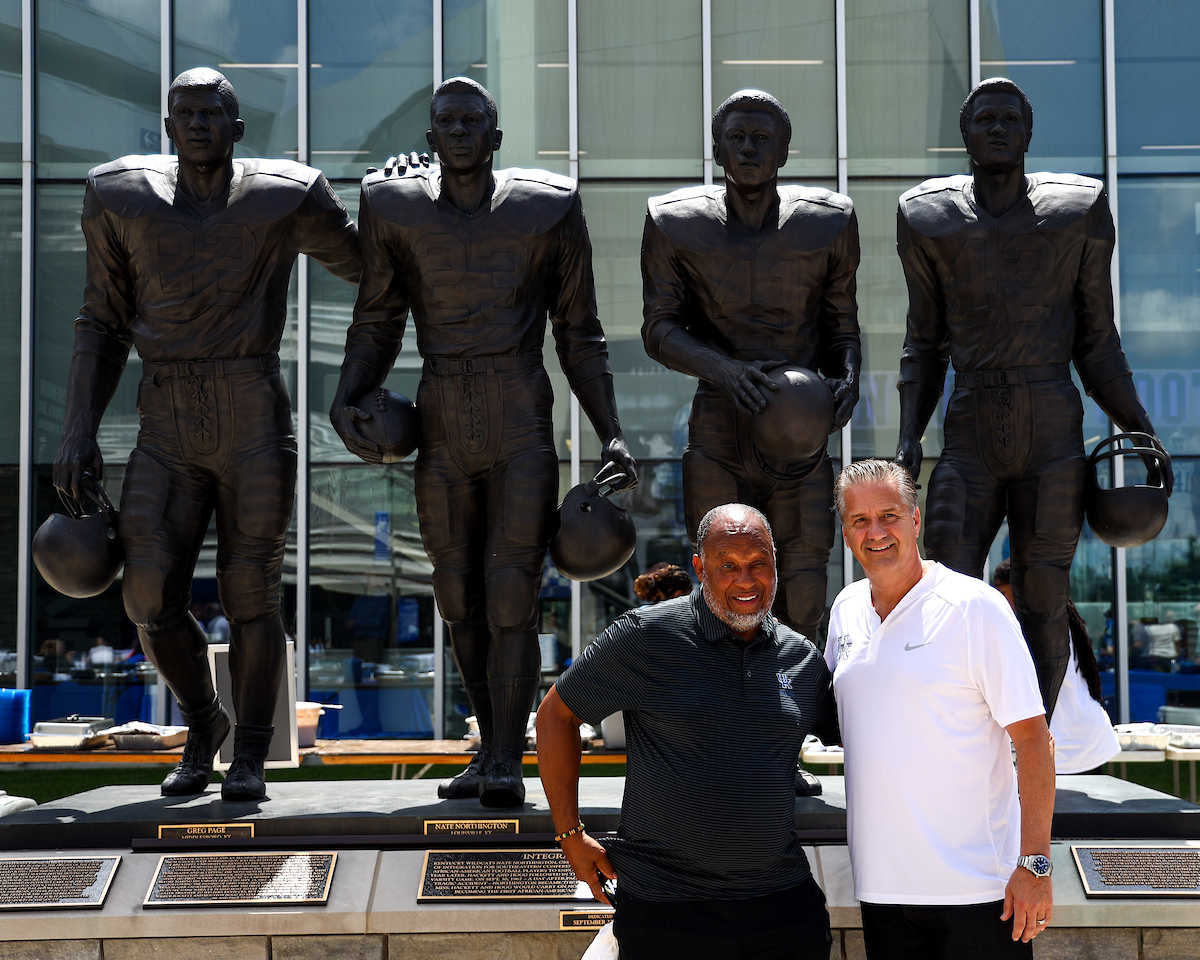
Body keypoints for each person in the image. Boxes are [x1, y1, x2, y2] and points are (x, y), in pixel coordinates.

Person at [52, 68, 362, 801]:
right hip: (165, 415)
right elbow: (101, 322)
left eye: (211, 112)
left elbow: (375, 267)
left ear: (237, 127)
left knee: (251, 591)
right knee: (147, 596)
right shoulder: (119, 196)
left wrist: (409, 192)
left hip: (253, 407)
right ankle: (203, 722)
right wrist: (78, 431)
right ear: (167, 126)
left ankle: (251, 750)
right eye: (184, 112)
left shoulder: (285, 195)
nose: (196, 123)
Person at [330, 76, 636, 808]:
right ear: (431, 137)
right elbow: (377, 319)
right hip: (441, 408)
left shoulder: (547, 207)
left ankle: (506, 755)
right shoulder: (393, 207)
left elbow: (580, 333)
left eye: (473, 121)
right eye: (448, 122)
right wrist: (345, 397)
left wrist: (613, 432)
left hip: (518, 408)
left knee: (510, 593)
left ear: (496, 136)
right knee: (455, 592)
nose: (461, 132)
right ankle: (488, 744)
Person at [894, 77, 1172, 721]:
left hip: (1050, 422)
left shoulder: (1077, 210)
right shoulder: (927, 216)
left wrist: (1141, 429)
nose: (997, 129)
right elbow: (924, 344)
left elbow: (1098, 343)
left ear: (1028, 132)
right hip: (971, 421)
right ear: (964, 134)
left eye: (1009, 119)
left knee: (1043, 594)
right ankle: (955, 734)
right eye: (984, 119)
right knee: (945, 585)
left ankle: (1034, 747)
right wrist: (908, 439)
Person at [537, 503, 839, 960]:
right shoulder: (644, 636)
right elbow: (555, 716)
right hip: (666, 908)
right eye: (727, 566)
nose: (745, 580)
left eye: (758, 564)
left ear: (775, 565)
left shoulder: (802, 659)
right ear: (699, 568)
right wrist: (569, 835)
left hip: (782, 907)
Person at [641, 89, 860, 646]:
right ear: (716, 149)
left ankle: (793, 701)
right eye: (735, 138)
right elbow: (658, 329)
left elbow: (841, 329)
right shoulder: (674, 221)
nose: (747, 148)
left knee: (804, 592)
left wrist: (849, 377)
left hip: (799, 429)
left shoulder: (829, 223)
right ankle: (724, 701)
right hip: (721, 424)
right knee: (723, 593)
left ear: (784, 151)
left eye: (761, 138)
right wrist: (726, 371)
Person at [828, 459, 1054, 958]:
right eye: (860, 520)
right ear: (845, 533)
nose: (876, 532)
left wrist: (1035, 865)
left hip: (979, 892)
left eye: (889, 515)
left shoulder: (975, 607)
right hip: (882, 891)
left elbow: (1034, 739)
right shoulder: (844, 609)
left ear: (915, 520)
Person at [992, 559, 1119, 774]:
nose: (1000, 601)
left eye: (1003, 593)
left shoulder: (1034, 627)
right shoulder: (1058, 617)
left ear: (1021, 589)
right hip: (1085, 738)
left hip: (1067, 745)